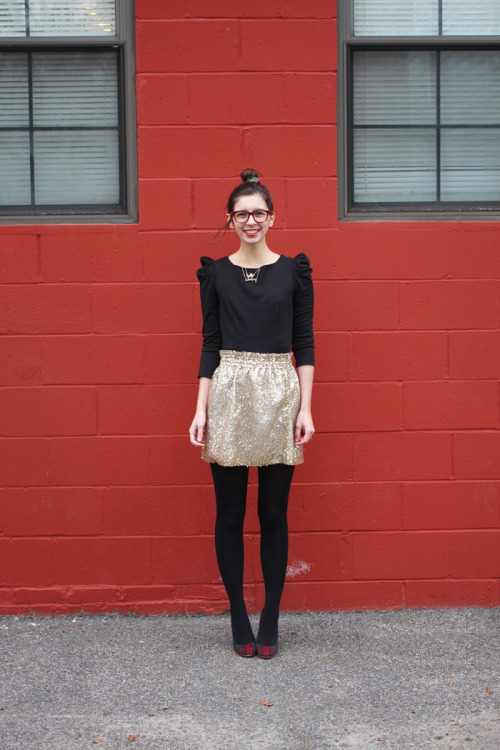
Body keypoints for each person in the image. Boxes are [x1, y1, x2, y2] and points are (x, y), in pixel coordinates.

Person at [189, 169, 315, 659]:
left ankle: (271, 620)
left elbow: (303, 344)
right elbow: (210, 343)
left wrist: (306, 407)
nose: (250, 220)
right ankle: (239, 617)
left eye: (258, 212)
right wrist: (200, 409)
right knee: (229, 515)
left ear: (272, 217)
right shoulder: (216, 273)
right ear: (230, 219)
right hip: (230, 393)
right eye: (241, 213)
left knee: (273, 514)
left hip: (280, 394)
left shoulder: (294, 272)